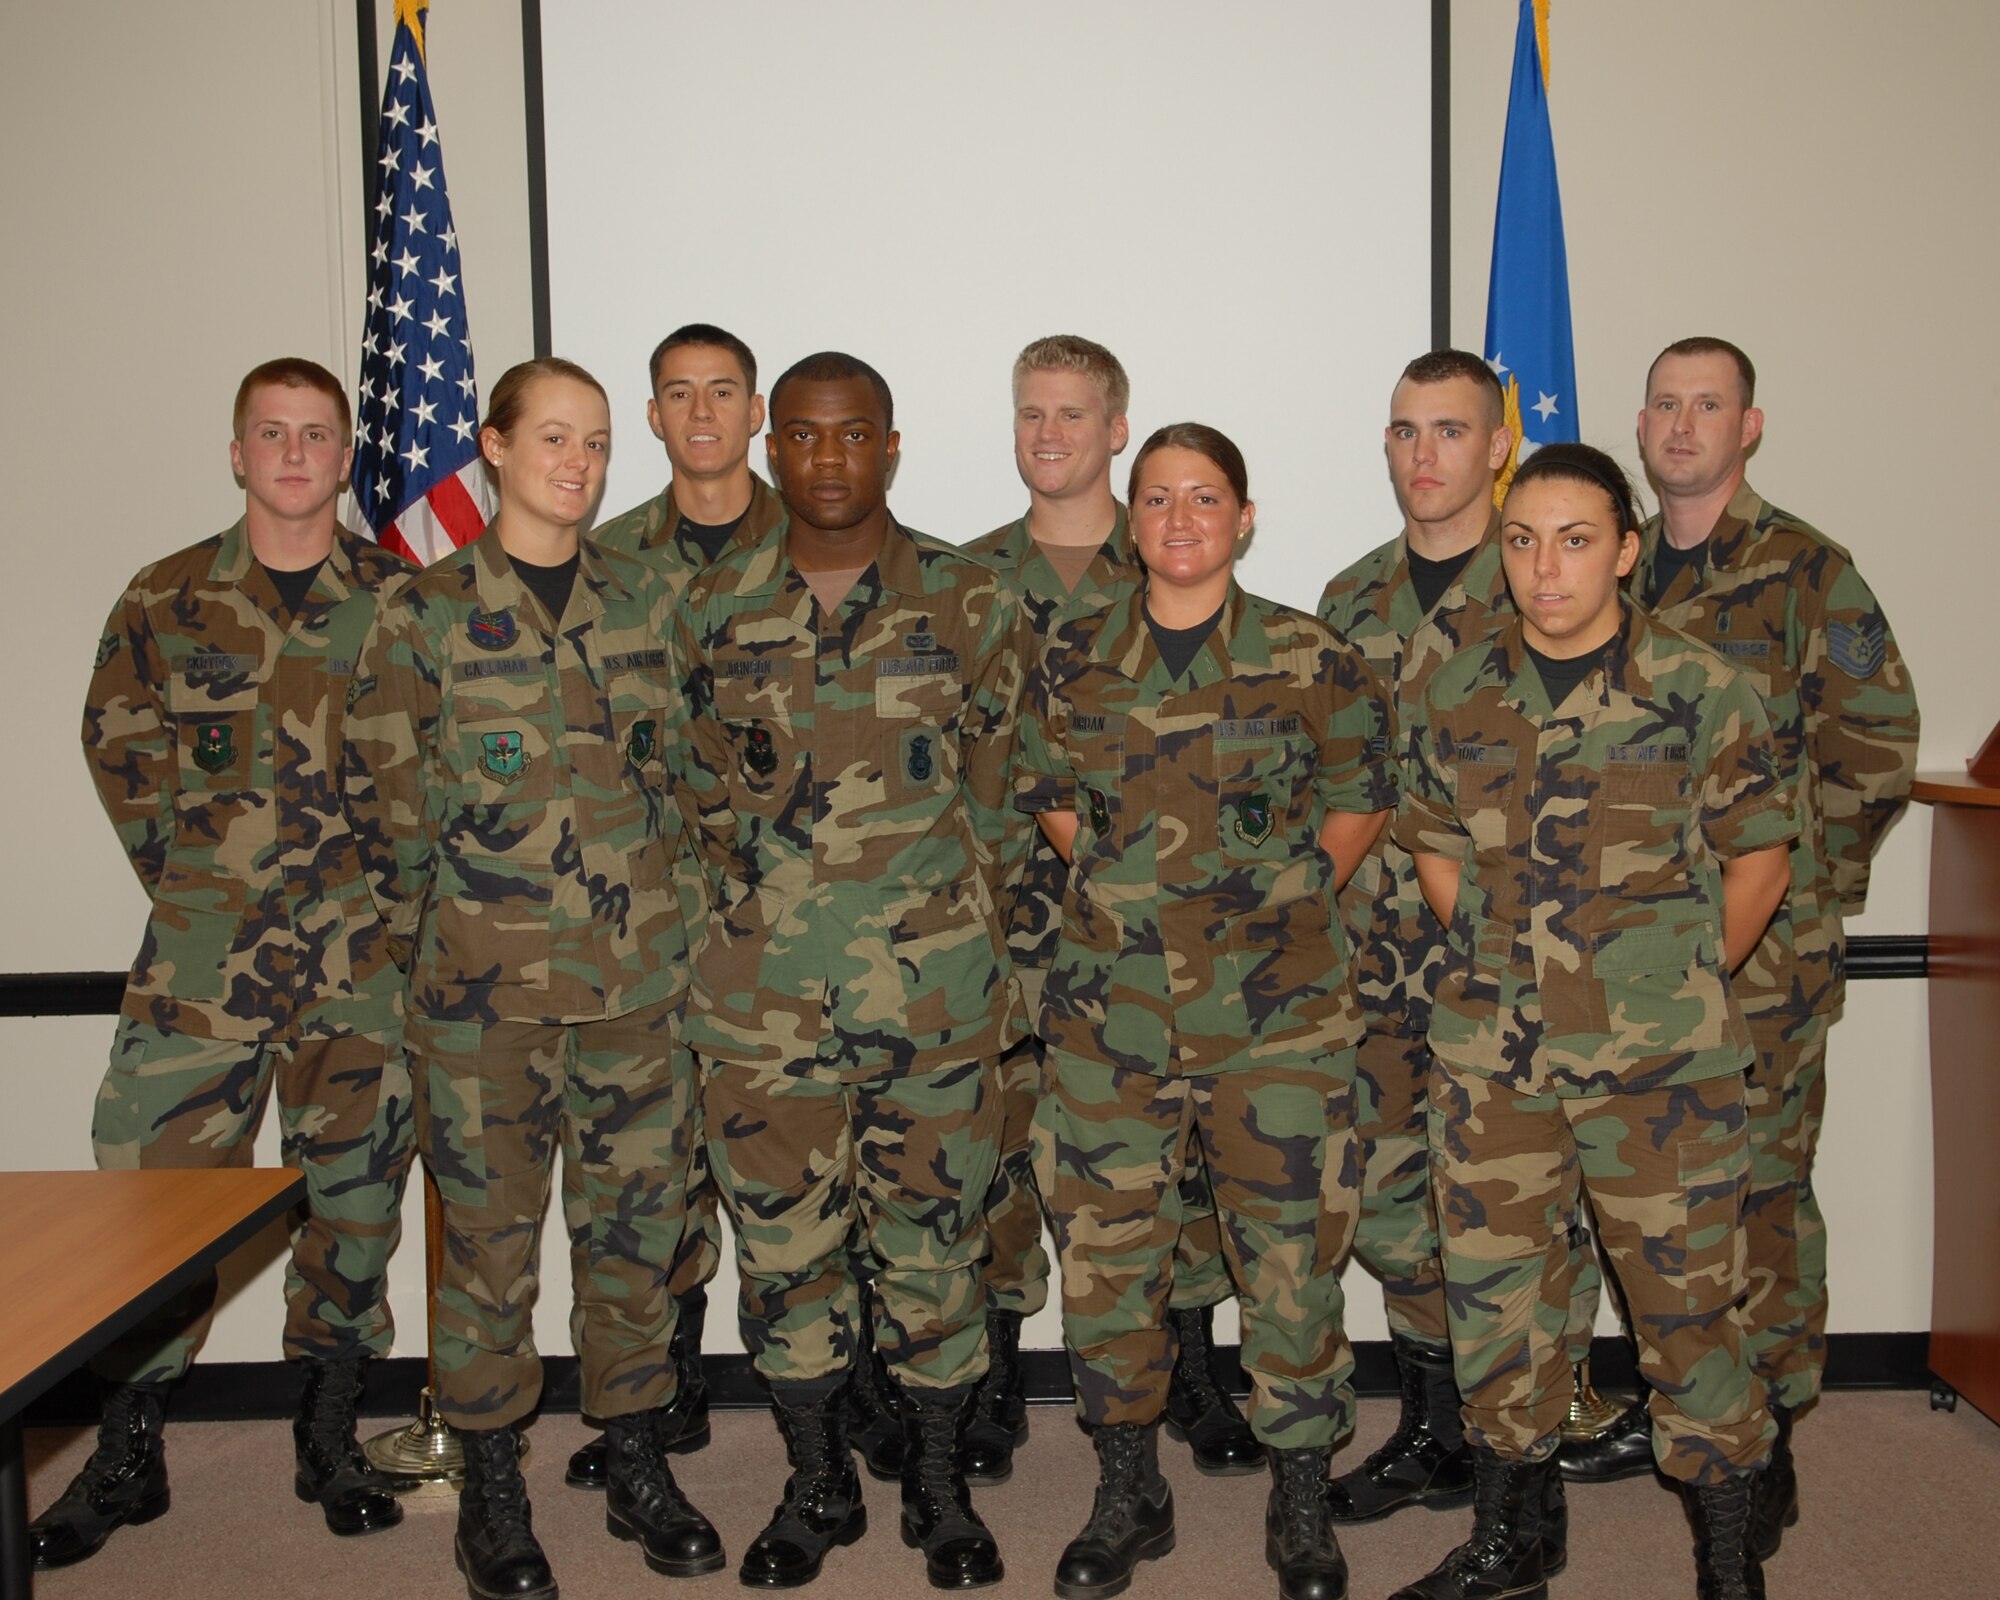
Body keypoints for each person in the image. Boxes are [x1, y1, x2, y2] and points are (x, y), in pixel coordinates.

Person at [1386, 443, 1798, 1600]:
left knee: (1683, 1309)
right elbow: (1433, 844)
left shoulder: (1700, 686)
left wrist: (1670, 985)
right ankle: (1513, 1538)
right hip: (1493, 1058)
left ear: (1623, 549)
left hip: (1657, 1066)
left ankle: (1724, 1559)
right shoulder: (1454, 687)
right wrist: (1510, 969)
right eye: (1520, 541)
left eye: (1572, 541)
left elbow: (1758, 853)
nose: (1542, 567)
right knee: (1498, 1304)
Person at [343, 357, 721, 1600]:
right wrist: (445, 952)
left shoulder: (650, 600)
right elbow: (388, 815)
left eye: (599, 442)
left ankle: (631, 1460)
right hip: (482, 1006)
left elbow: (690, 791)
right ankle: (493, 1488)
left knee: (633, 1243)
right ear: (493, 446)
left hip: (635, 998)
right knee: (491, 1258)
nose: (579, 462)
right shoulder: (424, 614)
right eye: (554, 437)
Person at [37, 358, 416, 1570]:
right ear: (239, 453)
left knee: (354, 1203)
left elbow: (440, 766)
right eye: (273, 433)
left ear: (345, 455)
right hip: (202, 962)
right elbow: (115, 743)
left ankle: (327, 1425)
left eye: (318, 435)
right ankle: (131, 1439)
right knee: (148, 1199)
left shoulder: (403, 598)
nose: (296, 453)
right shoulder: (166, 597)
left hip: (360, 962)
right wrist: (200, 880)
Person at [666, 351, 1027, 1591]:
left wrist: (977, 955)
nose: (827, 459)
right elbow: (693, 799)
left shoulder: (972, 601)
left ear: (890, 445)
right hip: (763, 1008)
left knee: (936, 1247)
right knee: (783, 1255)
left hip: (933, 1003)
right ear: (773, 447)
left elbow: (1007, 801)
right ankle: (815, 1478)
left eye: (852, 434)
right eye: (805, 437)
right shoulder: (706, 607)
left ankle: (934, 1484)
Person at [1019, 422, 1394, 1600]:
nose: (1180, 520)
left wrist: (1274, 905)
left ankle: (1297, 1498)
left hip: (1274, 1017)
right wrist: (1143, 903)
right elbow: (1051, 800)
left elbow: (1356, 801)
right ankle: (1129, 1487)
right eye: (1157, 499)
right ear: (1129, 521)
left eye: (1204, 498)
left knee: (1288, 1260)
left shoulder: (1308, 655)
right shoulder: (1072, 654)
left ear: (1243, 517)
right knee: (1109, 1258)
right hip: (1110, 1017)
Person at [1558, 339, 1920, 1553]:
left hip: (1760, 960)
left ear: (1746, 426)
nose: (1678, 424)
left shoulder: (1807, 572)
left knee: (1758, 1194)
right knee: (1643, 1196)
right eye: (1662, 403)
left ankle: (1763, 1436)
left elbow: (1872, 752)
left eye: (1704, 404)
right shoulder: (1603, 567)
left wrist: (1797, 895)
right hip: (1628, 958)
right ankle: (1679, 1405)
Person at [963, 336, 1259, 1487]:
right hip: (1003, 935)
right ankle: (993, 1376)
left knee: (1173, 1171)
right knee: (997, 1161)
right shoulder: (968, 580)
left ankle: (1191, 1367)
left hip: (1152, 946)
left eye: (1073, 415)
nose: (1048, 435)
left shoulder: (1174, 575)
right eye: (1030, 413)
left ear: (1116, 430)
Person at [564, 322, 785, 1492]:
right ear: (651, 417)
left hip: (789, 925)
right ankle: (664, 1384)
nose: (701, 414)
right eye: (676, 395)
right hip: (640, 925)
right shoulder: (604, 566)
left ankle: (824, 1389)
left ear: (755, 411)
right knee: (646, 1172)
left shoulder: (816, 549)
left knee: (790, 1158)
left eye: (723, 393)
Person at [1315, 349, 1514, 1524]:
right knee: (1393, 1206)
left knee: (1513, 1212)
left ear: (1496, 448)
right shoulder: (1346, 602)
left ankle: (1513, 1452)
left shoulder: (1548, 588)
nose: (1422, 454)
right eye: (1403, 430)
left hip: (1506, 968)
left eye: (1448, 430)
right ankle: (1434, 1430)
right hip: (1372, 968)